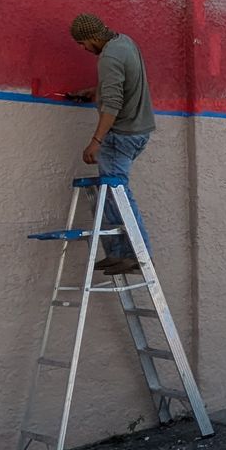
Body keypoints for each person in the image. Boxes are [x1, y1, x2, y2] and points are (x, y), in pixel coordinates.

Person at [64, 14, 155, 275]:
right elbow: (122, 85)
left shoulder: (109, 57)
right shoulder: (125, 43)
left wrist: (96, 141)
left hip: (121, 135)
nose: (83, 48)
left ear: (92, 37)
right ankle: (118, 253)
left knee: (117, 193)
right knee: (112, 195)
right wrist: (95, 92)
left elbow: (113, 104)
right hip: (138, 131)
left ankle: (137, 255)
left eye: (82, 43)